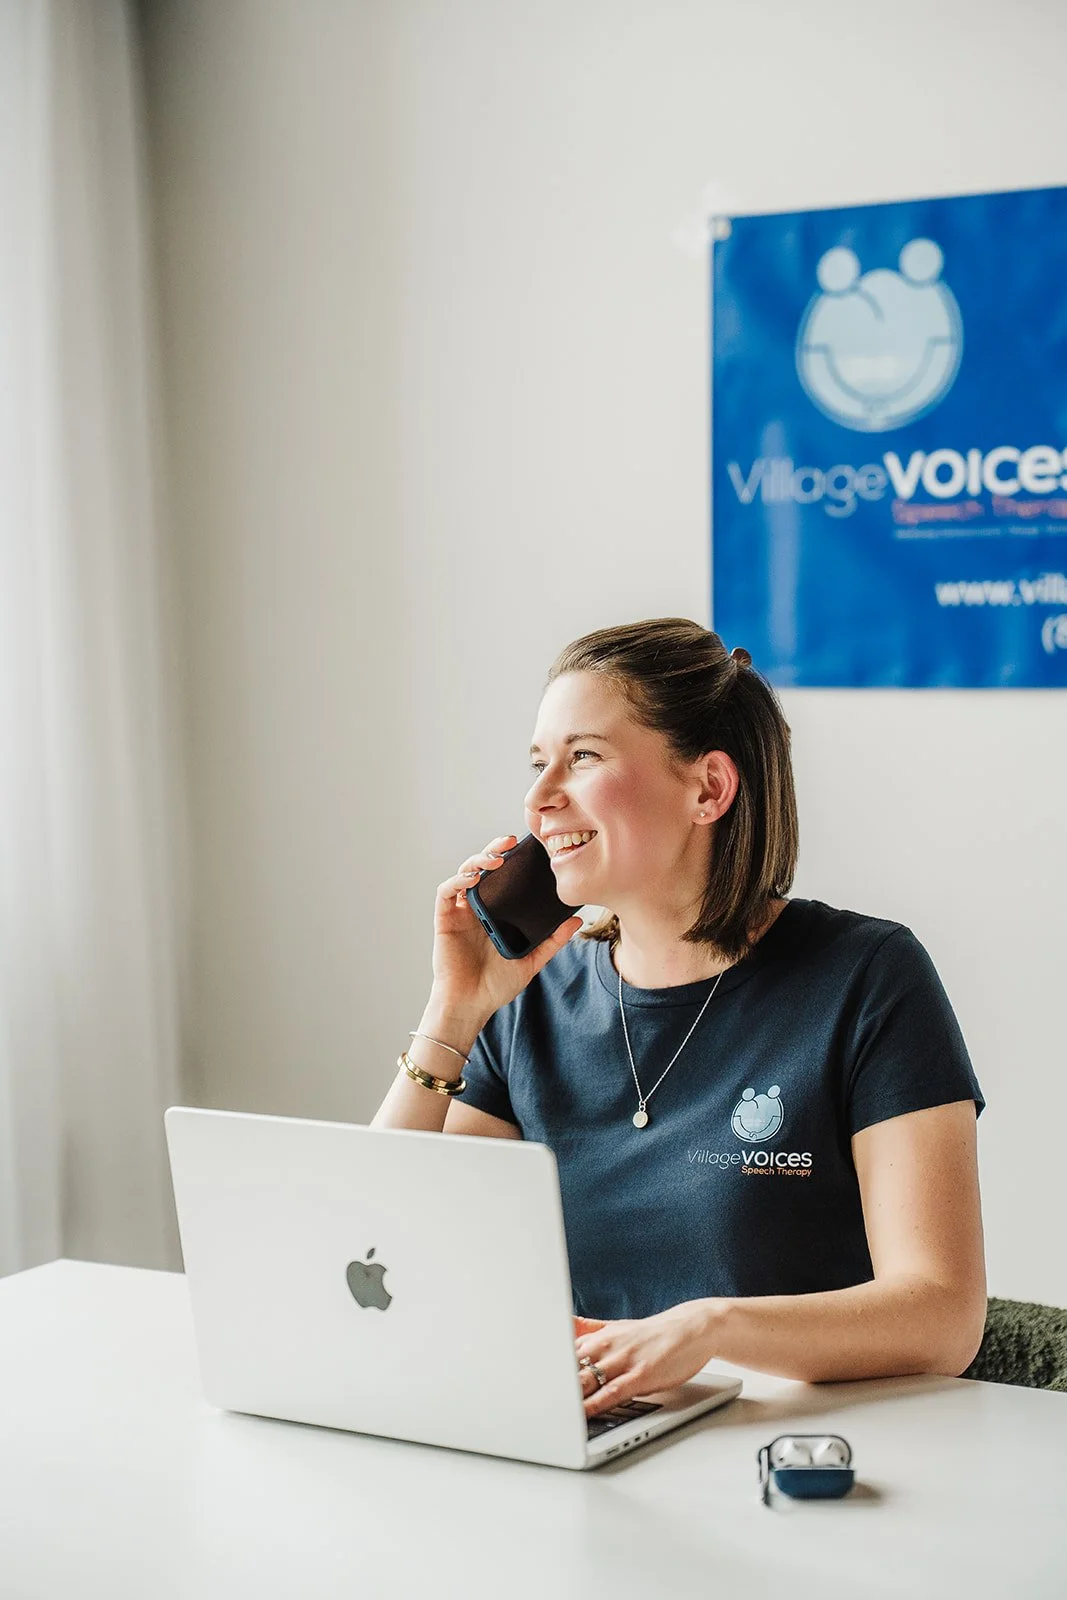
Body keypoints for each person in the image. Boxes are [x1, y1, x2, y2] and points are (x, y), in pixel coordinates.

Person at [372, 617, 987, 1419]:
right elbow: (385, 1244)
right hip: (583, 1436)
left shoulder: (867, 976)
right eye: (536, 762)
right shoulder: (524, 1001)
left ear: (708, 789)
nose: (537, 796)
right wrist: (451, 1012)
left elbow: (942, 1316)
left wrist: (709, 1327)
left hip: (800, 1443)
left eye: (581, 757)